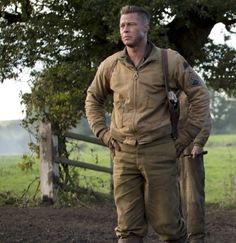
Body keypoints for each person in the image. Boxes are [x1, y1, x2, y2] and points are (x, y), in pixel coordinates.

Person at [85, 5, 210, 243]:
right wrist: (102, 133)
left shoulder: (169, 60)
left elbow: (200, 95)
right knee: (128, 229)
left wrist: (186, 137)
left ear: (145, 27)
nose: (125, 30)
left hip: (159, 151)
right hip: (122, 153)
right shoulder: (111, 65)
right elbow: (93, 98)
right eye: (122, 25)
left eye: (130, 24)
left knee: (169, 227)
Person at [178, 92, 211, 243]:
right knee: (169, 198)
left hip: (190, 150)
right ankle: (176, 236)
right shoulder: (162, 89)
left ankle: (196, 238)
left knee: (192, 198)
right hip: (167, 149)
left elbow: (203, 117)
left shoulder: (192, 90)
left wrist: (198, 143)